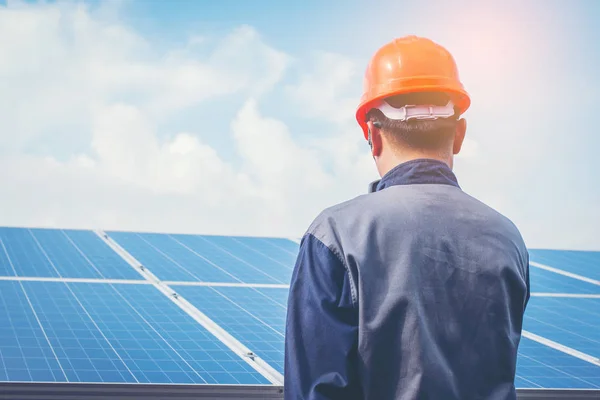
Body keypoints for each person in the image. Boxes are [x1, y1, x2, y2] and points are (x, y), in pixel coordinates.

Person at [284, 35, 531, 400]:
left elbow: (314, 390)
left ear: (372, 134)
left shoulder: (335, 234)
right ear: (459, 134)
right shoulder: (507, 238)